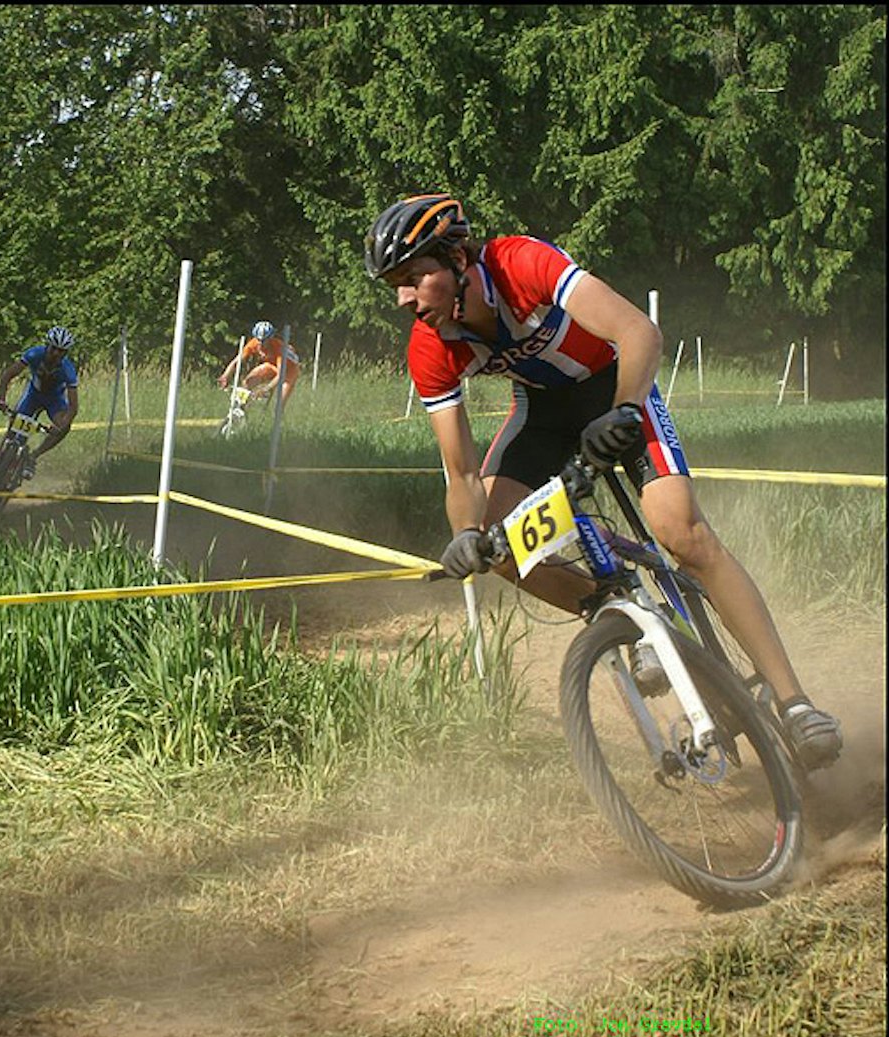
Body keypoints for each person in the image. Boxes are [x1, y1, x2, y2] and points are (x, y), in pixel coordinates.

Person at [364, 192, 842, 770]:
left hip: (617, 386)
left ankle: (794, 702)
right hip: (544, 415)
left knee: (681, 532)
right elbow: (461, 469)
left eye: (415, 277)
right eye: (395, 284)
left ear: (460, 259)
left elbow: (638, 332)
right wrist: (466, 531)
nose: (405, 299)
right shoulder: (431, 345)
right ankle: (618, 615)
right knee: (497, 542)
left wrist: (622, 411)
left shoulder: (519, 263)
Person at [0, 325, 79, 480]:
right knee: (13, 432)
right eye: (54, 348)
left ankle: (33, 457)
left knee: (65, 428)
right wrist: (1, 398)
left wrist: (61, 425)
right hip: (33, 395)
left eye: (62, 351)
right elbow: (8, 375)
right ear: (47, 345)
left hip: (54, 400)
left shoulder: (68, 369)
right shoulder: (34, 354)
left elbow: (73, 407)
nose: (56, 354)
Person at [217, 320, 302, 408]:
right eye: (259, 340)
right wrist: (225, 376)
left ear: (271, 338)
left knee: (279, 405)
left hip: (289, 371)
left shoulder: (279, 348)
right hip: (271, 365)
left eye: (264, 341)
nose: (261, 343)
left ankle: (276, 418)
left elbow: (281, 375)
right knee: (247, 382)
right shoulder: (253, 343)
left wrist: (265, 389)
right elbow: (236, 361)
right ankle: (240, 410)